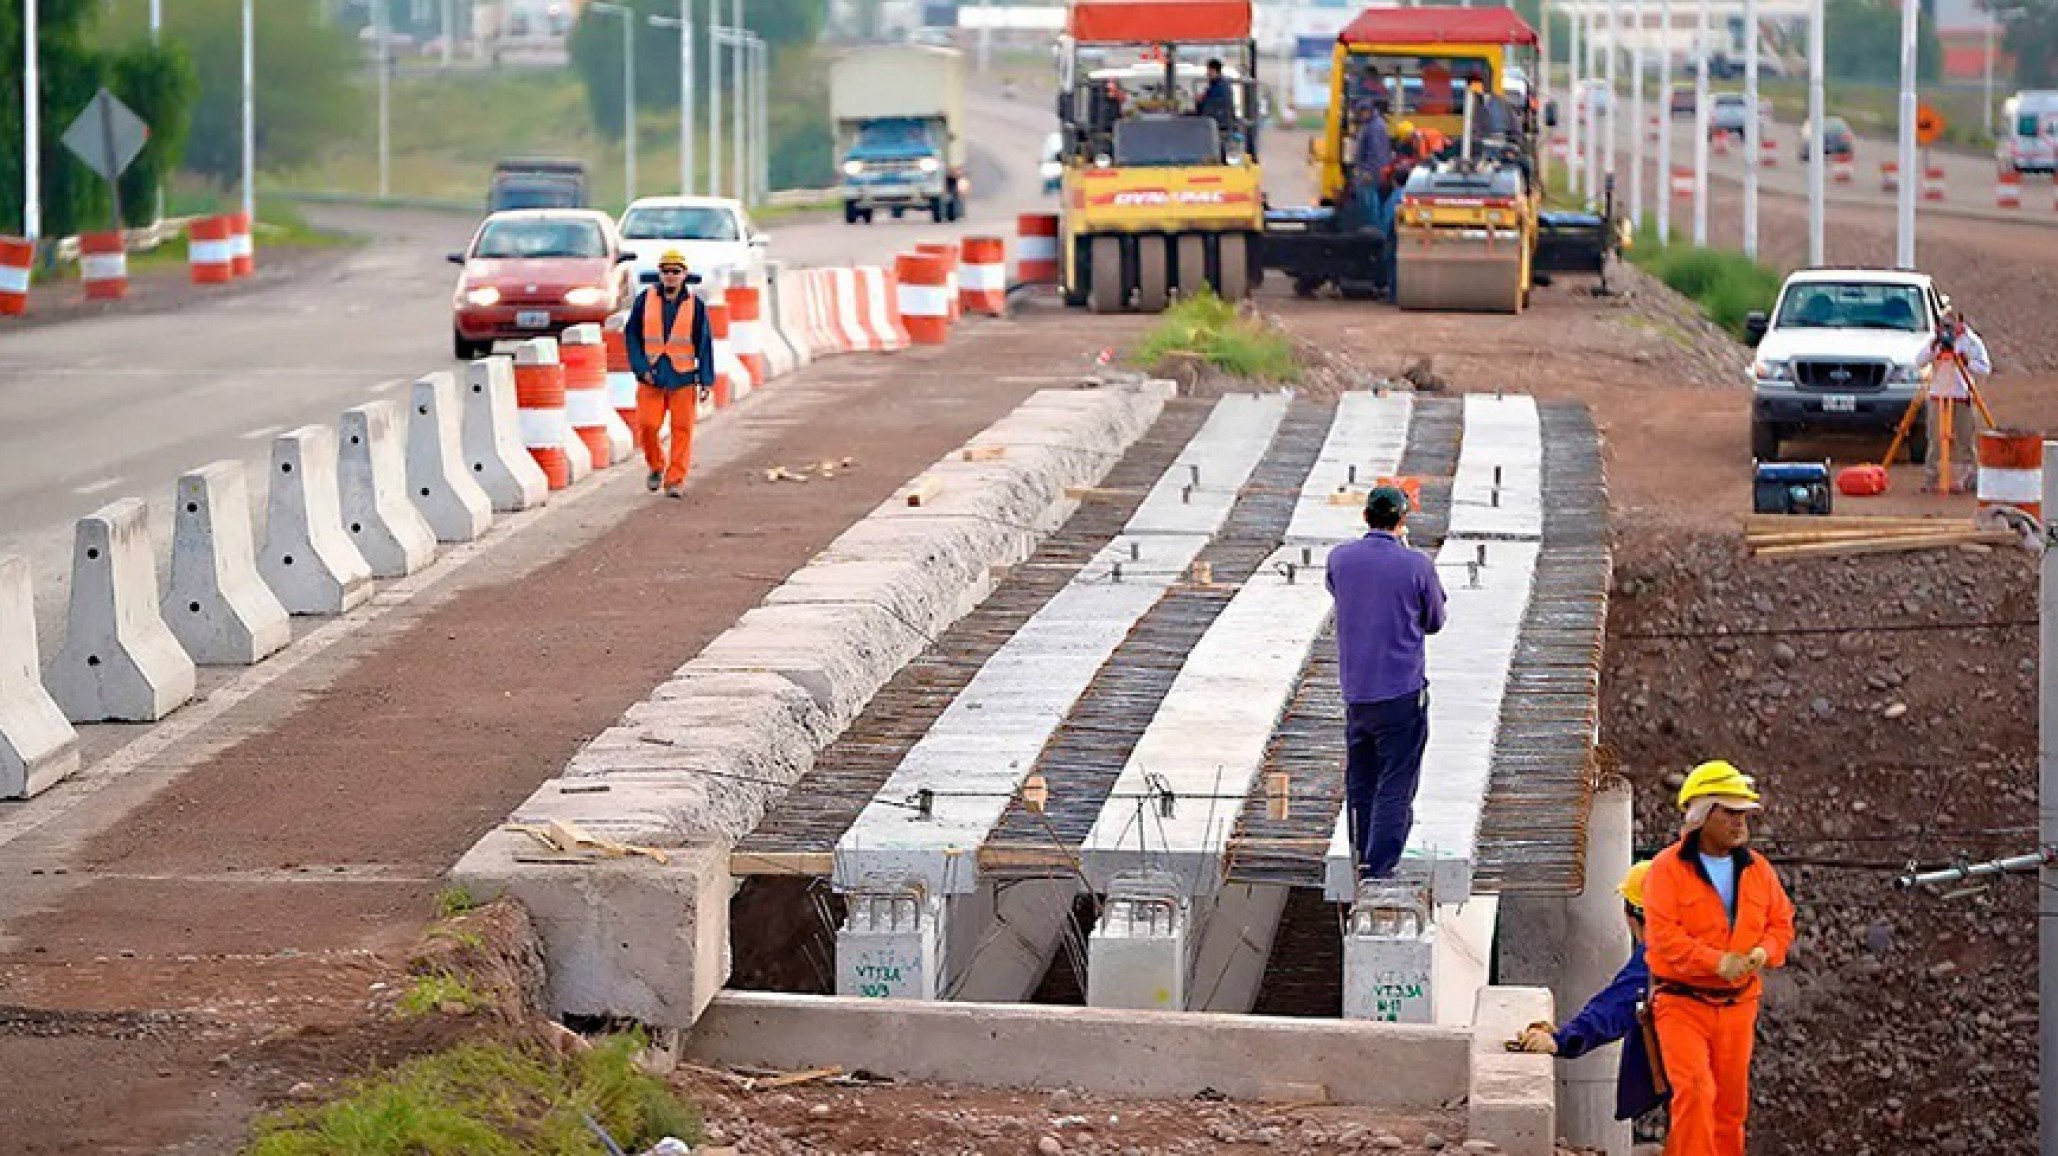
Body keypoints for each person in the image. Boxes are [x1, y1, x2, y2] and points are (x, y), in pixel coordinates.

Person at [1641, 760, 1796, 1156]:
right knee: (1694, 1091)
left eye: (1743, 813)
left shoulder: (1758, 869)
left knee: (1729, 1108)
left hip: (1738, 1005)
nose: (1740, 822)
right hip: (1682, 1003)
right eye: (1729, 812)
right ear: (1701, 815)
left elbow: (1781, 924)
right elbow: (1663, 938)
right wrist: (1716, 961)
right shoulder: (1666, 870)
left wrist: (1765, 952)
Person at [1325, 485, 1447, 880]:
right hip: (1401, 694)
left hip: (1357, 694)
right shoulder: (1416, 566)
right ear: (1402, 520)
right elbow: (1435, 621)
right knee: (1395, 781)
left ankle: (1361, 856)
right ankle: (1379, 869)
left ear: (1365, 517)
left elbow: (1338, 590)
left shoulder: (1340, 559)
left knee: (1361, 781)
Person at [1513, 862, 1670, 1125]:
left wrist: (1564, 1039)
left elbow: (1620, 1003)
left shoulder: (1660, 957)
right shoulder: (1707, 943)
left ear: (1631, 914)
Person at [622, 250, 715, 498]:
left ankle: (675, 480)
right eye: (666, 271)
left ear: (685, 275)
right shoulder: (645, 300)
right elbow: (632, 335)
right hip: (652, 376)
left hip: (683, 377)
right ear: (659, 274)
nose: (671, 276)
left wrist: (706, 379)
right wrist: (640, 368)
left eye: (676, 271)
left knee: (682, 429)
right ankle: (656, 465)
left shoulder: (696, 305)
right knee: (647, 426)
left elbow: (704, 342)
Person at [1917, 307, 1994, 493]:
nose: (1948, 330)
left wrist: (1967, 362)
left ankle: (1967, 478)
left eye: (1951, 325)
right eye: (1944, 325)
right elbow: (1919, 361)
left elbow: (1985, 369)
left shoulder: (1972, 342)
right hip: (1938, 394)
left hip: (1961, 396)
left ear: (1961, 324)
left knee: (1964, 440)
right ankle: (1932, 478)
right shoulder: (1935, 341)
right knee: (1935, 439)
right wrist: (1934, 346)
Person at [1196, 58, 1235, 135]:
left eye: (1209, 71)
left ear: (1214, 71)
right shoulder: (1217, 85)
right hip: (1218, 123)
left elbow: (1213, 106)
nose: (1207, 73)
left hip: (1219, 124)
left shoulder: (1220, 86)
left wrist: (1201, 101)